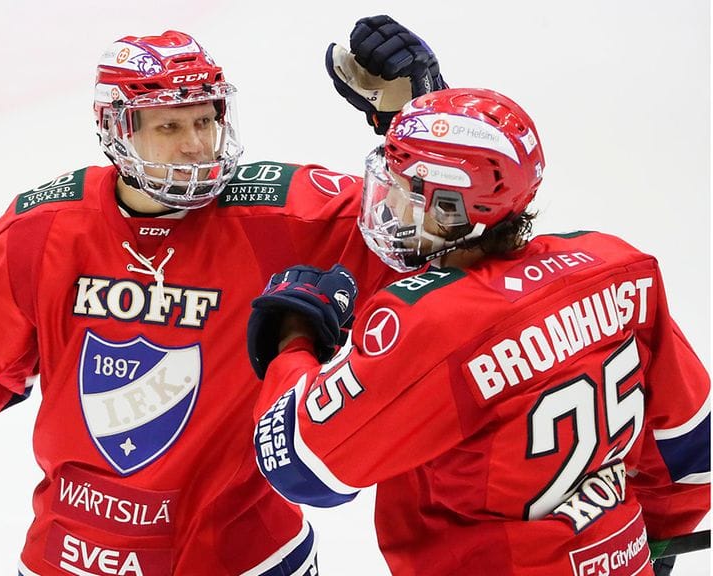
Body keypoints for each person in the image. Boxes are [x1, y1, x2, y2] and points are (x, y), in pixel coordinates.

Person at [0, 17, 446, 576]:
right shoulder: (45, 225)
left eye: (205, 120)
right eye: (169, 127)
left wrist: (417, 116)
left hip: (243, 558)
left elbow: (442, 237)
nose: (196, 146)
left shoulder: (285, 214)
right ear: (117, 129)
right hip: (70, 556)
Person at [246, 88, 710, 575]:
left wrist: (293, 338)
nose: (389, 207)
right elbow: (690, 441)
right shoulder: (616, 265)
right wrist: (645, 545)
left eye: (402, 188)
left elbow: (301, 465)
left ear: (449, 208)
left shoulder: (431, 321)